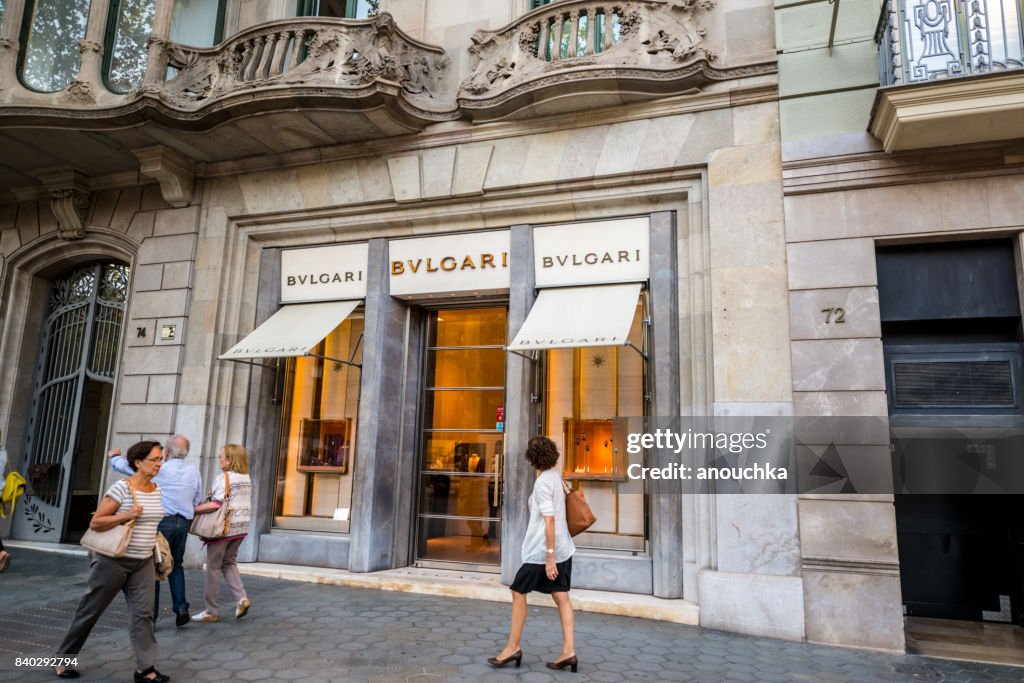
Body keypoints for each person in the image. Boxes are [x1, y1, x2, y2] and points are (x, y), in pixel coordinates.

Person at [54, 441, 169, 682]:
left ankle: (145, 669)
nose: (159, 464)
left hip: (143, 561)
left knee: (144, 614)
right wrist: (126, 515)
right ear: (138, 462)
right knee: (90, 610)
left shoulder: (157, 489)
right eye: (155, 459)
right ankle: (63, 658)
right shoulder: (121, 488)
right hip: (112, 560)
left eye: (161, 459)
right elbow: (96, 522)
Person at [489, 436, 577, 673]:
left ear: (531, 458)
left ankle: (512, 647)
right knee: (561, 596)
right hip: (564, 547)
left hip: (542, 551)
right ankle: (569, 652)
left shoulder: (542, 484)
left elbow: (549, 520)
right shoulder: (555, 478)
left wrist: (549, 557)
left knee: (518, 591)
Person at [110, 434, 202, 627]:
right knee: (176, 565)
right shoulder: (193, 471)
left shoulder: (161, 468)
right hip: (183, 523)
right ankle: (181, 608)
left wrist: (114, 457)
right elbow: (196, 498)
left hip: (162, 523)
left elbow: (130, 468)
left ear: (166, 452)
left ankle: (152, 616)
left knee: (154, 567)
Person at [191, 444, 252, 623]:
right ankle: (242, 599)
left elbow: (216, 504)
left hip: (221, 530)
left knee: (213, 568)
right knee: (229, 562)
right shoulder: (246, 477)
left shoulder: (224, 477)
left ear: (230, 459)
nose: (219, 459)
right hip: (240, 529)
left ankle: (211, 610)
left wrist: (194, 509)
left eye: (221, 456)